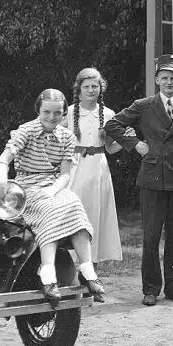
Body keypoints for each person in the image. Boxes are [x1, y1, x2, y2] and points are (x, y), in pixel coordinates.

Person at [104, 55, 173, 306]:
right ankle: (151, 289)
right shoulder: (144, 105)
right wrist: (135, 144)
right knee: (151, 236)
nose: (168, 82)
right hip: (152, 178)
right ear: (156, 80)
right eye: (164, 78)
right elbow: (112, 125)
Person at [0, 89, 105, 303]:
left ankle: (87, 272)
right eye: (47, 112)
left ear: (63, 114)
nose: (52, 117)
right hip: (27, 188)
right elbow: (4, 160)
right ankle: (48, 275)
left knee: (75, 205)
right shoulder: (27, 130)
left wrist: (52, 190)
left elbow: (65, 175)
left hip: (53, 186)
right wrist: (1, 182)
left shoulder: (67, 136)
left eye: (57, 113)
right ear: (38, 110)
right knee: (49, 210)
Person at [62, 68, 123, 264]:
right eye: (86, 87)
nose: (91, 90)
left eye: (95, 86)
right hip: (75, 169)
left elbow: (111, 149)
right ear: (79, 89)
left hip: (99, 170)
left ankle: (92, 269)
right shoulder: (69, 113)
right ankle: (69, 265)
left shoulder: (109, 113)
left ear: (100, 89)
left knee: (96, 215)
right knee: (74, 215)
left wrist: (125, 139)